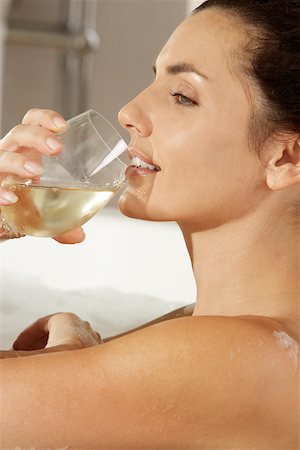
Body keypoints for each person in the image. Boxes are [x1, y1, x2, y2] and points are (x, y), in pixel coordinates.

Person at [0, 0, 299, 447]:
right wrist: (75, 351)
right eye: (153, 79)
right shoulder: (202, 326)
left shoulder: (238, 355)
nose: (129, 111)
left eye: (183, 96)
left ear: (284, 157)